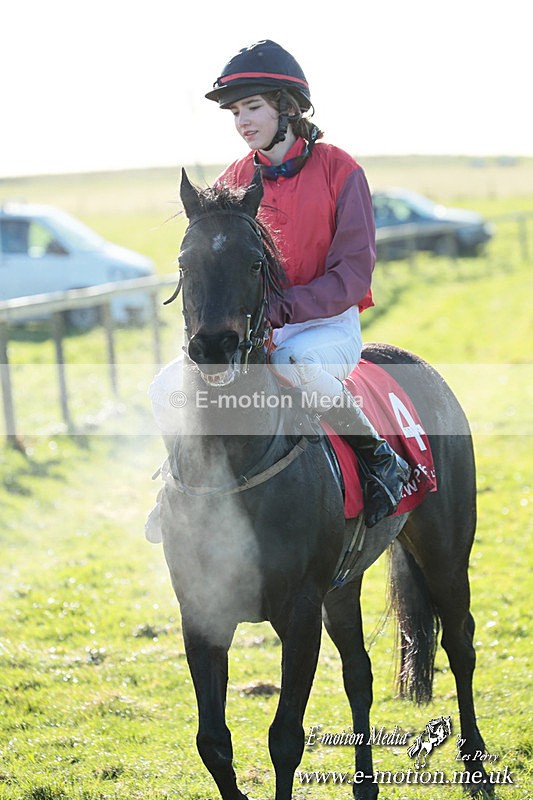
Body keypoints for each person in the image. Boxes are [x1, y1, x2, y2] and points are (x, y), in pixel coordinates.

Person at [147, 39, 409, 539]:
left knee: (297, 366)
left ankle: (380, 462)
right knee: (163, 388)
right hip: (254, 332)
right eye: (236, 112)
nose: (242, 121)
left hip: (324, 326)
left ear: (286, 108)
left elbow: (353, 274)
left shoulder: (340, 170)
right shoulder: (236, 179)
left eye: (253, 108)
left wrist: (283, 307)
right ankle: (175, 488)